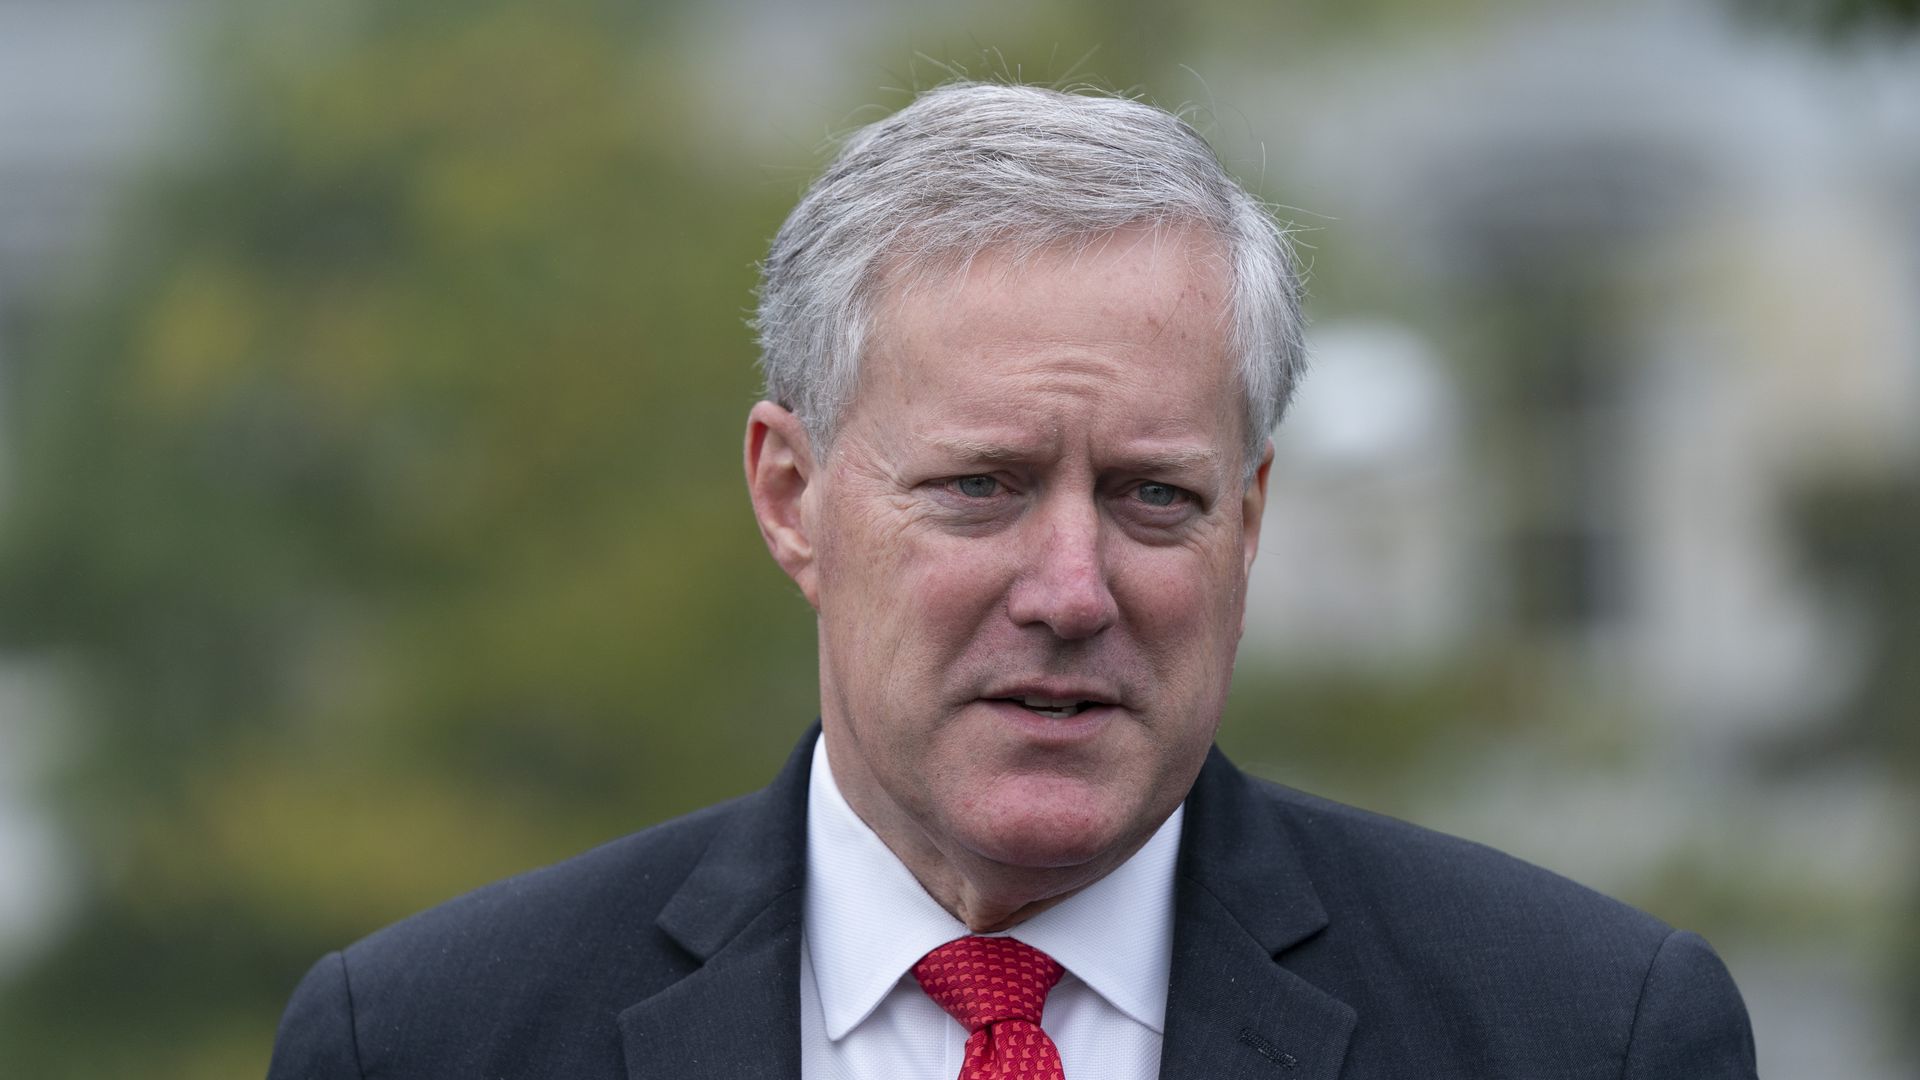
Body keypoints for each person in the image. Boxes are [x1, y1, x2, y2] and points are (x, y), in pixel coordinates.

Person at [266, 82, 1759, 1080]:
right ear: (791, 499)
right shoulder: (426, 1042)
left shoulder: (1584, 1035)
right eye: (981, 487)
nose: (1069, 589)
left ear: (1248, 521)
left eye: (1153, 497)